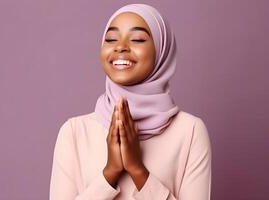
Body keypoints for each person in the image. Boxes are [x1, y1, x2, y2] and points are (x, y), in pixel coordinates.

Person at [49, 3, 212, 200]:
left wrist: (137, 170)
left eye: (137, 39)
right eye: (110, 39)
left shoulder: (190, 131)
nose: (120, 47)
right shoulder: (74, 132)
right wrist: (110, 173)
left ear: (161, 50)